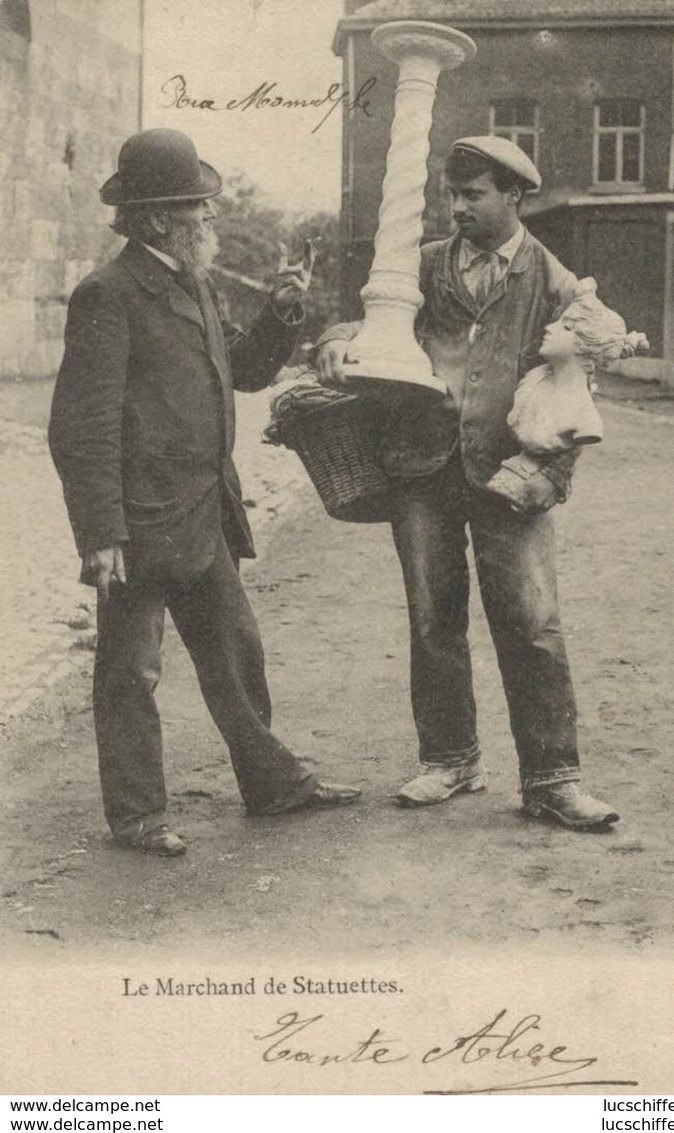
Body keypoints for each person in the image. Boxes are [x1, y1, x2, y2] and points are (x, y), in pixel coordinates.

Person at [49, 128, 360, 857]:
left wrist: (282, 314)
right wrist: (100, 532)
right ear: (159, 218)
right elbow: (79, 427)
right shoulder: (107, 293)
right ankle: (136, 815)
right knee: (131, 668)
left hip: (202, 508)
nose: (210, 221)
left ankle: (271, 783)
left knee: (234, 649)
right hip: (139, 518)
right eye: (200, 208)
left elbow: (244, 373)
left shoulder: (193, 282)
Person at [316, 135, 618, 831]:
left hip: (510, 477)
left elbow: (578, 389)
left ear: (514, 197)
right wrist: (337, 340)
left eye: (473, 195)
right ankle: (450, 758)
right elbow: (368, 316)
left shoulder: (556, 282)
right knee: (432, 619)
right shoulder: (421, 266)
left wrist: (550, 476)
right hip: (422, 468)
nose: (456, 208)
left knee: (532, 624)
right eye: (451, 195)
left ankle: (552, 779)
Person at [488, 278, 648, 510]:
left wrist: (554, 475)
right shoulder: (534, 381)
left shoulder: (584, 418)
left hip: (530, 480)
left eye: (565, 326)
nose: (549, 328)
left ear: (587, 344)